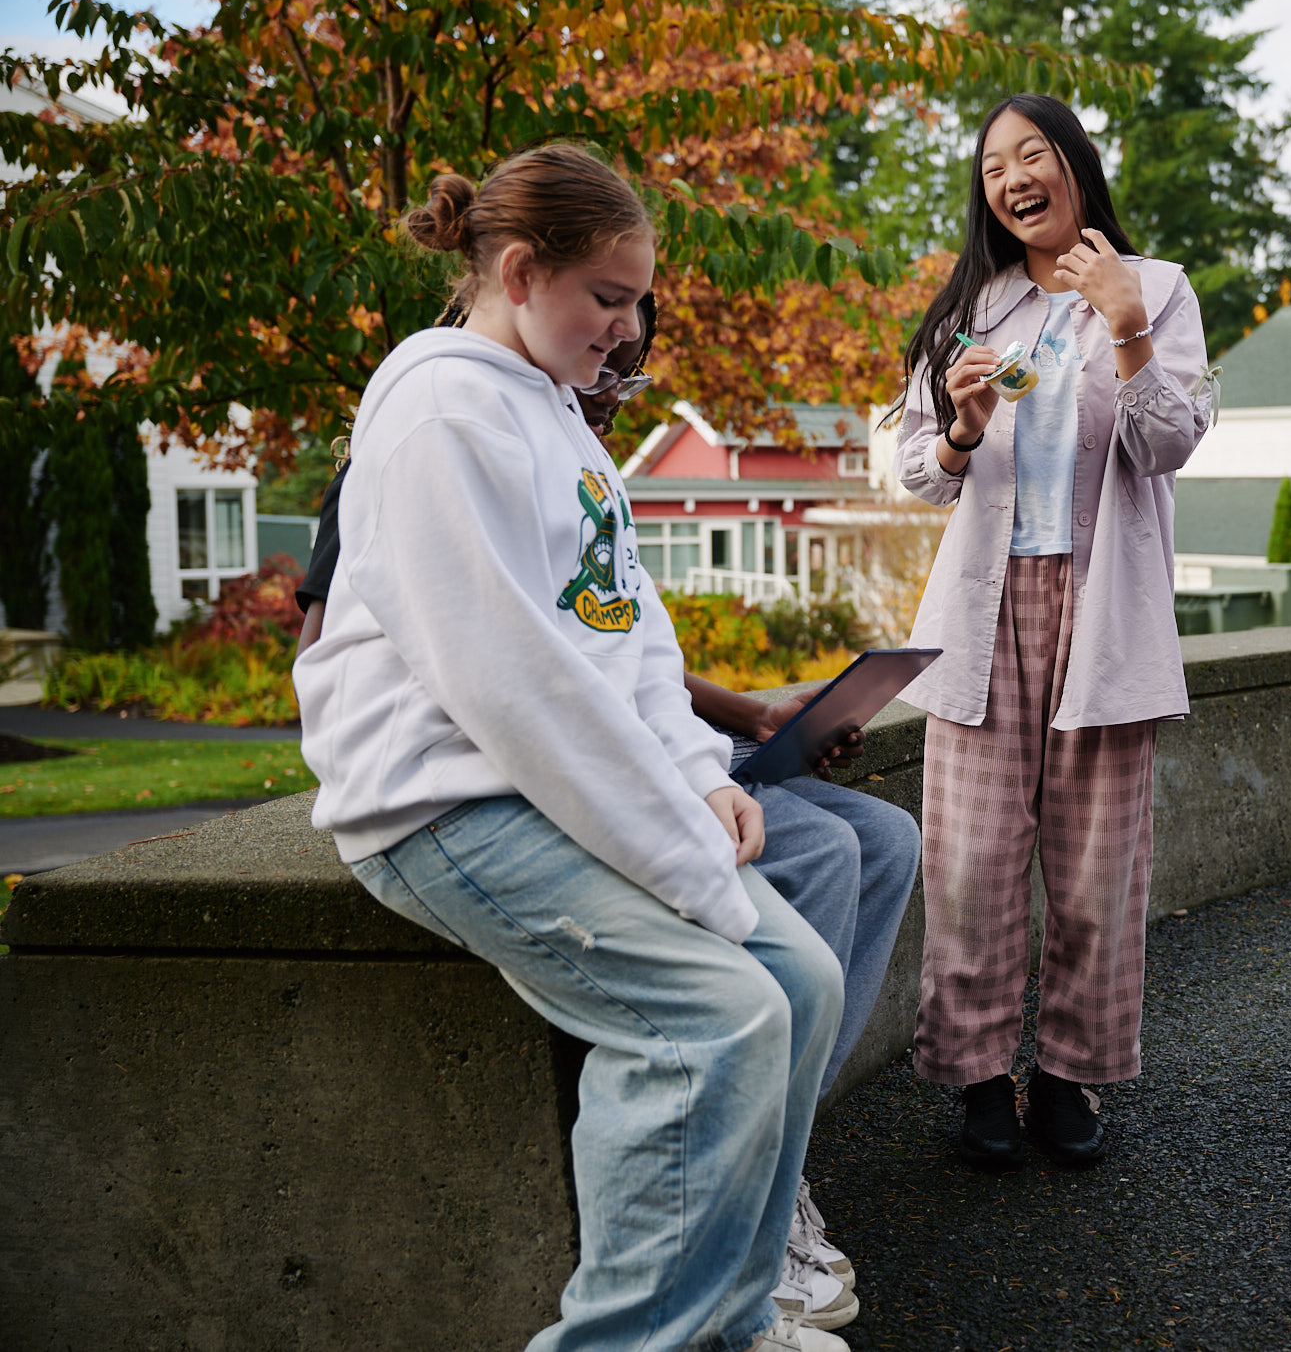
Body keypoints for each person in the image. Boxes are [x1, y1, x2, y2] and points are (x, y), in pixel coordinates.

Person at [292, 144, 849, 1352]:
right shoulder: (441, 412)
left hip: (541, 786)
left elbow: (627, 630)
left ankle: (735, 1322)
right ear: (518, 269)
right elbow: (515, 686)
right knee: (713, 1022)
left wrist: (700, 771)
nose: (628, 326)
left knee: (801, 983)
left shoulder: (555, 414)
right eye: (608, 296)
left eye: (637, 299)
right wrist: (684, 855)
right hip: (442, 808)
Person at [890, 93, 1211, 1167]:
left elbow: (1167, 446)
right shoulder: (967, 310)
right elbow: (911, 475)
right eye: (991, 169)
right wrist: (956, 432)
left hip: (1104, 608)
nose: (1011, 178)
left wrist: (1122, 324)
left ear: (1075, 165)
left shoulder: (1156, 289)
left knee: (1094, 868)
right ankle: (979, 1075)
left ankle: (1072, 1076)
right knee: (972, 863)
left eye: (1031, 155)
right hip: (984, 614)